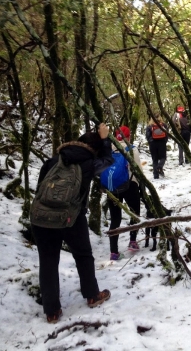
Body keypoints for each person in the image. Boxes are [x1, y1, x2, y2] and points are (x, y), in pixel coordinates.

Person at [32, 123, 112, 324]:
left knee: (48, 262)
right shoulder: (88, 164)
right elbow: (108, 160)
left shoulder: (53, 160)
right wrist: (105, 140)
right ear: (92, 149)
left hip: (41, 218)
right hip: (70, 218)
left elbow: (40, 189)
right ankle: (92, 295)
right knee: (83, 255)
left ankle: (51, 312)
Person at [108, 126, 142, 260]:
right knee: (134, 213)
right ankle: (133, 241)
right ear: (128, 136)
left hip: (112, 187)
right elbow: (138, 169)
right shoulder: (131, 148)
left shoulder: (108, 149)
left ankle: (113, 252)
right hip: (130, 185)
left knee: (115, 219)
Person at [145, 114, 168, 179]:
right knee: (163, 157)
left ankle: (156, 175)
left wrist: (150, 141)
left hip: (153, 144)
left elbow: (147, 135)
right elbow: (167, 135)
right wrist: (164, 141)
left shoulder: (149, 126)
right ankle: (159, 166)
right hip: (162, 143)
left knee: (154, 159)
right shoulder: (164, 125)